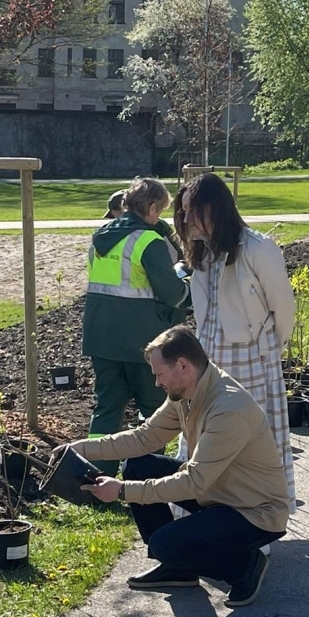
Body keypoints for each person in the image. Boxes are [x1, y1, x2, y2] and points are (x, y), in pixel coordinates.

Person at [67, 326, 290, 608]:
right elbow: (144, 437)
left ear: (182, 365)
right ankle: (179, 568)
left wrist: (122, 492)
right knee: (138, 465)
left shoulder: (228, 409)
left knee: (165, 544)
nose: (157, 383)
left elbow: (193, 481)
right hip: (217, 491)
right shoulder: (186, 392)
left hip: (254, 511)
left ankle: (245, 567)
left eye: (159, 374)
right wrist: (79, 448)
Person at [173, 173, 297, 511]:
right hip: (208, 358)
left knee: (250, 442)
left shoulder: (257, 248)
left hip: (251, 358)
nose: (186, 220)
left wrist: (270, 350)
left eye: (191, 210)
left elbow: (283, 306)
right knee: (201, 433)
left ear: (215, 208)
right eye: (182, 212)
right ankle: (194, 510)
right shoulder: (202, 253)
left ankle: (255, 516)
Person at [83, 177, 189, 476]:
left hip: (101, 338)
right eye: (160, 211)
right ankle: (143, 473)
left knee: (107, 407)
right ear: (152, 207)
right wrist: (188, 284)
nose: (159, 218)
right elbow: (171, 294)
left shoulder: (100, 238)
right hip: (142, 340)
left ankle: (96, 473)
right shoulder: (148, 241)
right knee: (152, 410)